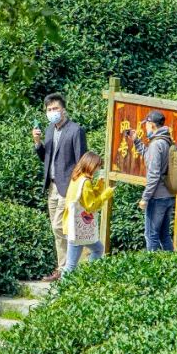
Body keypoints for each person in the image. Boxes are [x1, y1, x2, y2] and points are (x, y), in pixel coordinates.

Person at [33, 92, 87, 281]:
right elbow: (45, 159)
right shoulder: (49, 130)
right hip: (52, 187)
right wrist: (38, 143)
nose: (52, 112)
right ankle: (63, 268)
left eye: (55, 108)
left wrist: (79, 188)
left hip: (69, 187)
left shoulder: (75, 130)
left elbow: (82, 161)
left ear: (63, 109)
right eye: (49, 109)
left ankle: (69, 268)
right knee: (57, 229)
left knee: (60, 226)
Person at [129, 110, 175, 251]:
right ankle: (173, 266)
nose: (145, 127)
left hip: (157, 197)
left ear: (152, 124)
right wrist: (136, 141)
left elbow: (154, 174)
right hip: (168, 195)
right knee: (164, 235)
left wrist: (145, 198)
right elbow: (149, 156)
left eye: (146, 124)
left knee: (151, 235)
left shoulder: (156, 144)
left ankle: (151, 270)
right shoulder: (166, 140)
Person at [61, 151, 115, 274]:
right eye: (98, 166)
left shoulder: (78, 178)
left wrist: (99, 185)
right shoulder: (85, 182)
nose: (98, 168)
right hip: (77, 229)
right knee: (71, 265)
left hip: (73, 225)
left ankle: (86, 277)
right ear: (91, 165)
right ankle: (62, 290)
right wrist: (107, 194)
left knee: (98, 249)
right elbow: (91, 205)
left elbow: (87, 197)